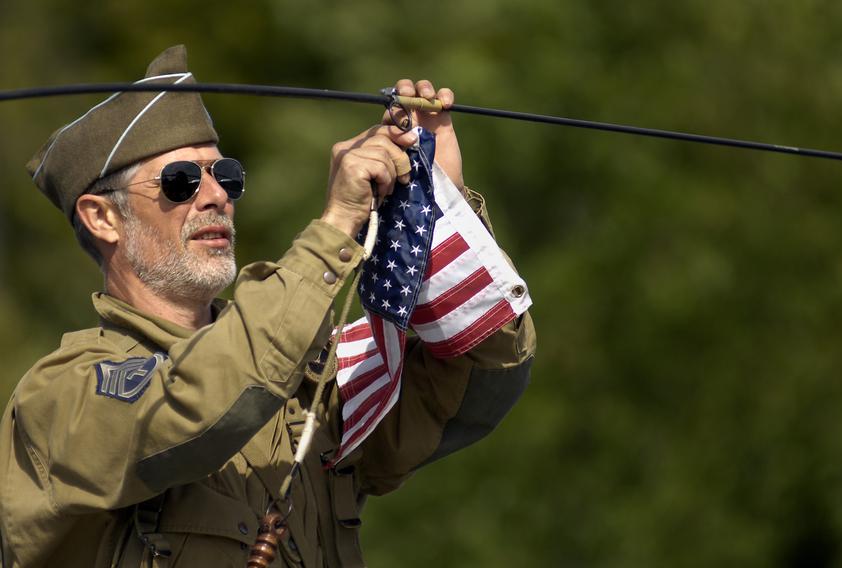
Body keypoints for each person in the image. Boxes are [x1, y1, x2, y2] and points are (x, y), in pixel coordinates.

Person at [0, 45, 535, 567]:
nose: (216, 197)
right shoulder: (60, 396)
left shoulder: (307, 386)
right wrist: (333, 229)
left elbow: (478, 381)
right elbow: (198, 406)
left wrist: (439, 202)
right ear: (102, 219)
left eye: (225, 175)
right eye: (181, 181)